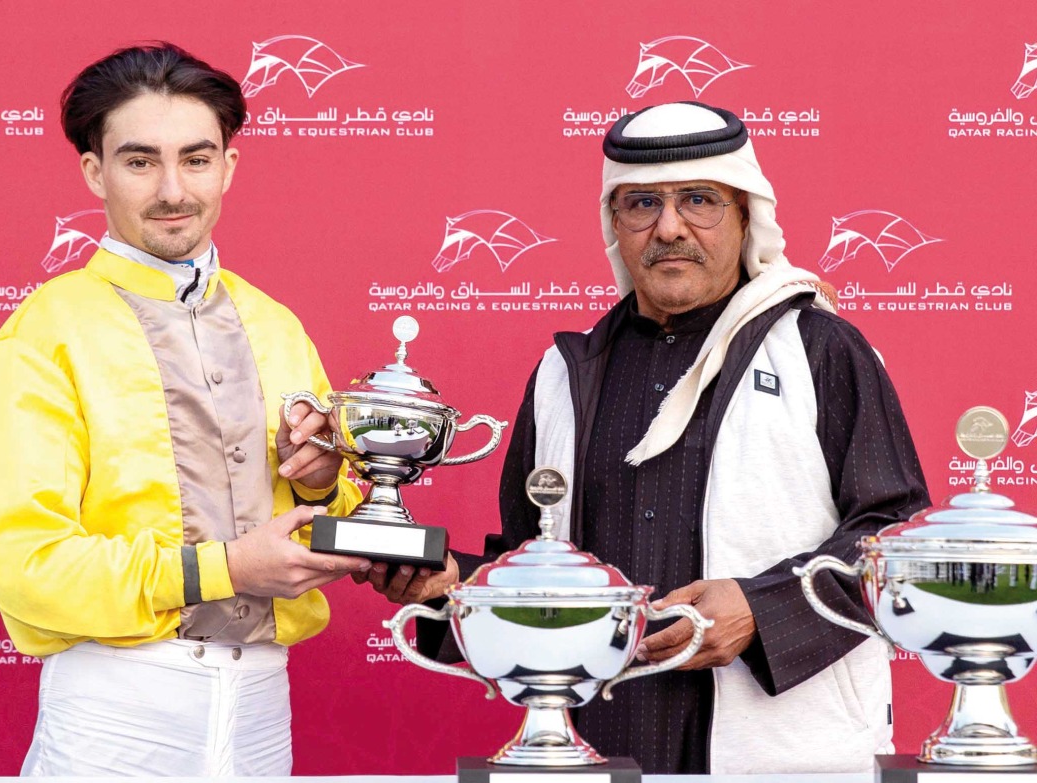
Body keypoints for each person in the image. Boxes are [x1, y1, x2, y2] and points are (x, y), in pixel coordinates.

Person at [356, 101, 929, 775]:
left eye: (699, 199)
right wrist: (449, 585)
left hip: (784, 746)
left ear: (745, 214)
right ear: (614, 224)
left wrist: (761, 610)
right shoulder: (565, 374)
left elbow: (898, 536)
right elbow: (535, 561)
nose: (670, 227)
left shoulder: (818, 347)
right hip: (603, 740)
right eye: (642, 203)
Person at [0, 43, 370, 777]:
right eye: (141, 161)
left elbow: (334, 505)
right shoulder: (43, 333)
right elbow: (26, 564)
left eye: (197, 158)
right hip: (115, 709)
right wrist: (227, 566)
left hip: (263, 706)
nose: (174, 189)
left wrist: (318, 484)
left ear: (229, 168)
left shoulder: (276, 323)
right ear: (96, 171)